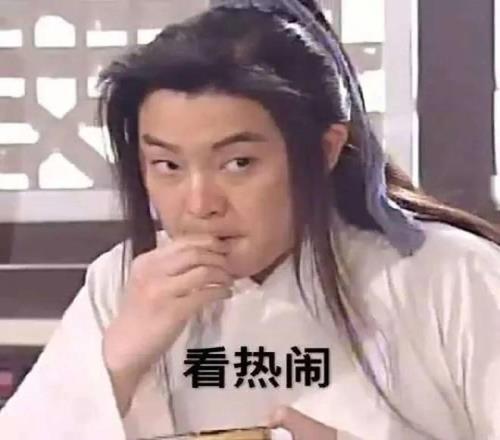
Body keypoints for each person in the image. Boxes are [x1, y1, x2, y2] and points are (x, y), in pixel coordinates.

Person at [1, 0, 500, 439]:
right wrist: (116, 360)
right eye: (168, 165)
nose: (200, 203)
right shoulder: (121, 284)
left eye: (238, 163)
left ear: (324, 150)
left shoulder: (451, 275)